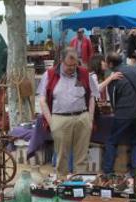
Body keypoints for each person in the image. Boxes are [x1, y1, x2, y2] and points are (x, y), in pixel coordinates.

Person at [38, 47, 99, 176]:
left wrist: (90, 118)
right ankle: (62, 183)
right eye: (68, 65)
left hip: (82, 117)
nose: (72, 68)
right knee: (61, 158)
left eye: (74, 64)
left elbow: (93, 96)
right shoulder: (49, 74)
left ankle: (80, 185)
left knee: (81, 157)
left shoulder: (84, 73)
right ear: (61, 61)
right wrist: (52, 122)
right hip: (60, 119)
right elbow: (42, 100)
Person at [104, 53, 136, 175]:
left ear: (110, 64)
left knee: (111, 141)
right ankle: (135, 171)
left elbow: (113, 98)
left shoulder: (114, 76)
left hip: (122, 113)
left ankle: (108, 171)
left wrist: (117, 110)